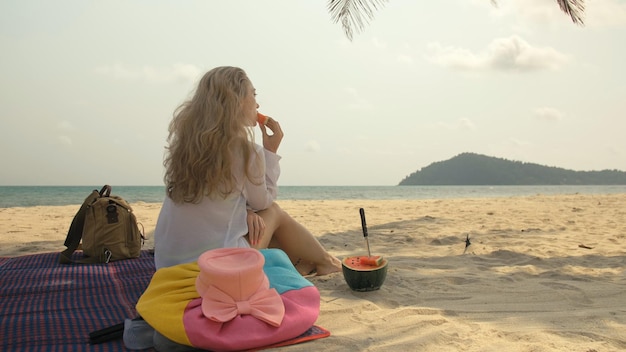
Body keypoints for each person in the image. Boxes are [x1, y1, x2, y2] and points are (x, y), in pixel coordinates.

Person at [153, 66, 341, 276]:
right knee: (274, 212)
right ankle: (327, 262)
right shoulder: (245, 151)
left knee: (258, 220)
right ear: (238, 101)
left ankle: (307, 262)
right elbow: (264, 202)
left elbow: (210, 204)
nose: (257, 103)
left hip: (167, 265)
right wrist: (270, 152)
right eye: (253, 94)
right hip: (216, 269)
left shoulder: (186, 147)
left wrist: (246, 212)